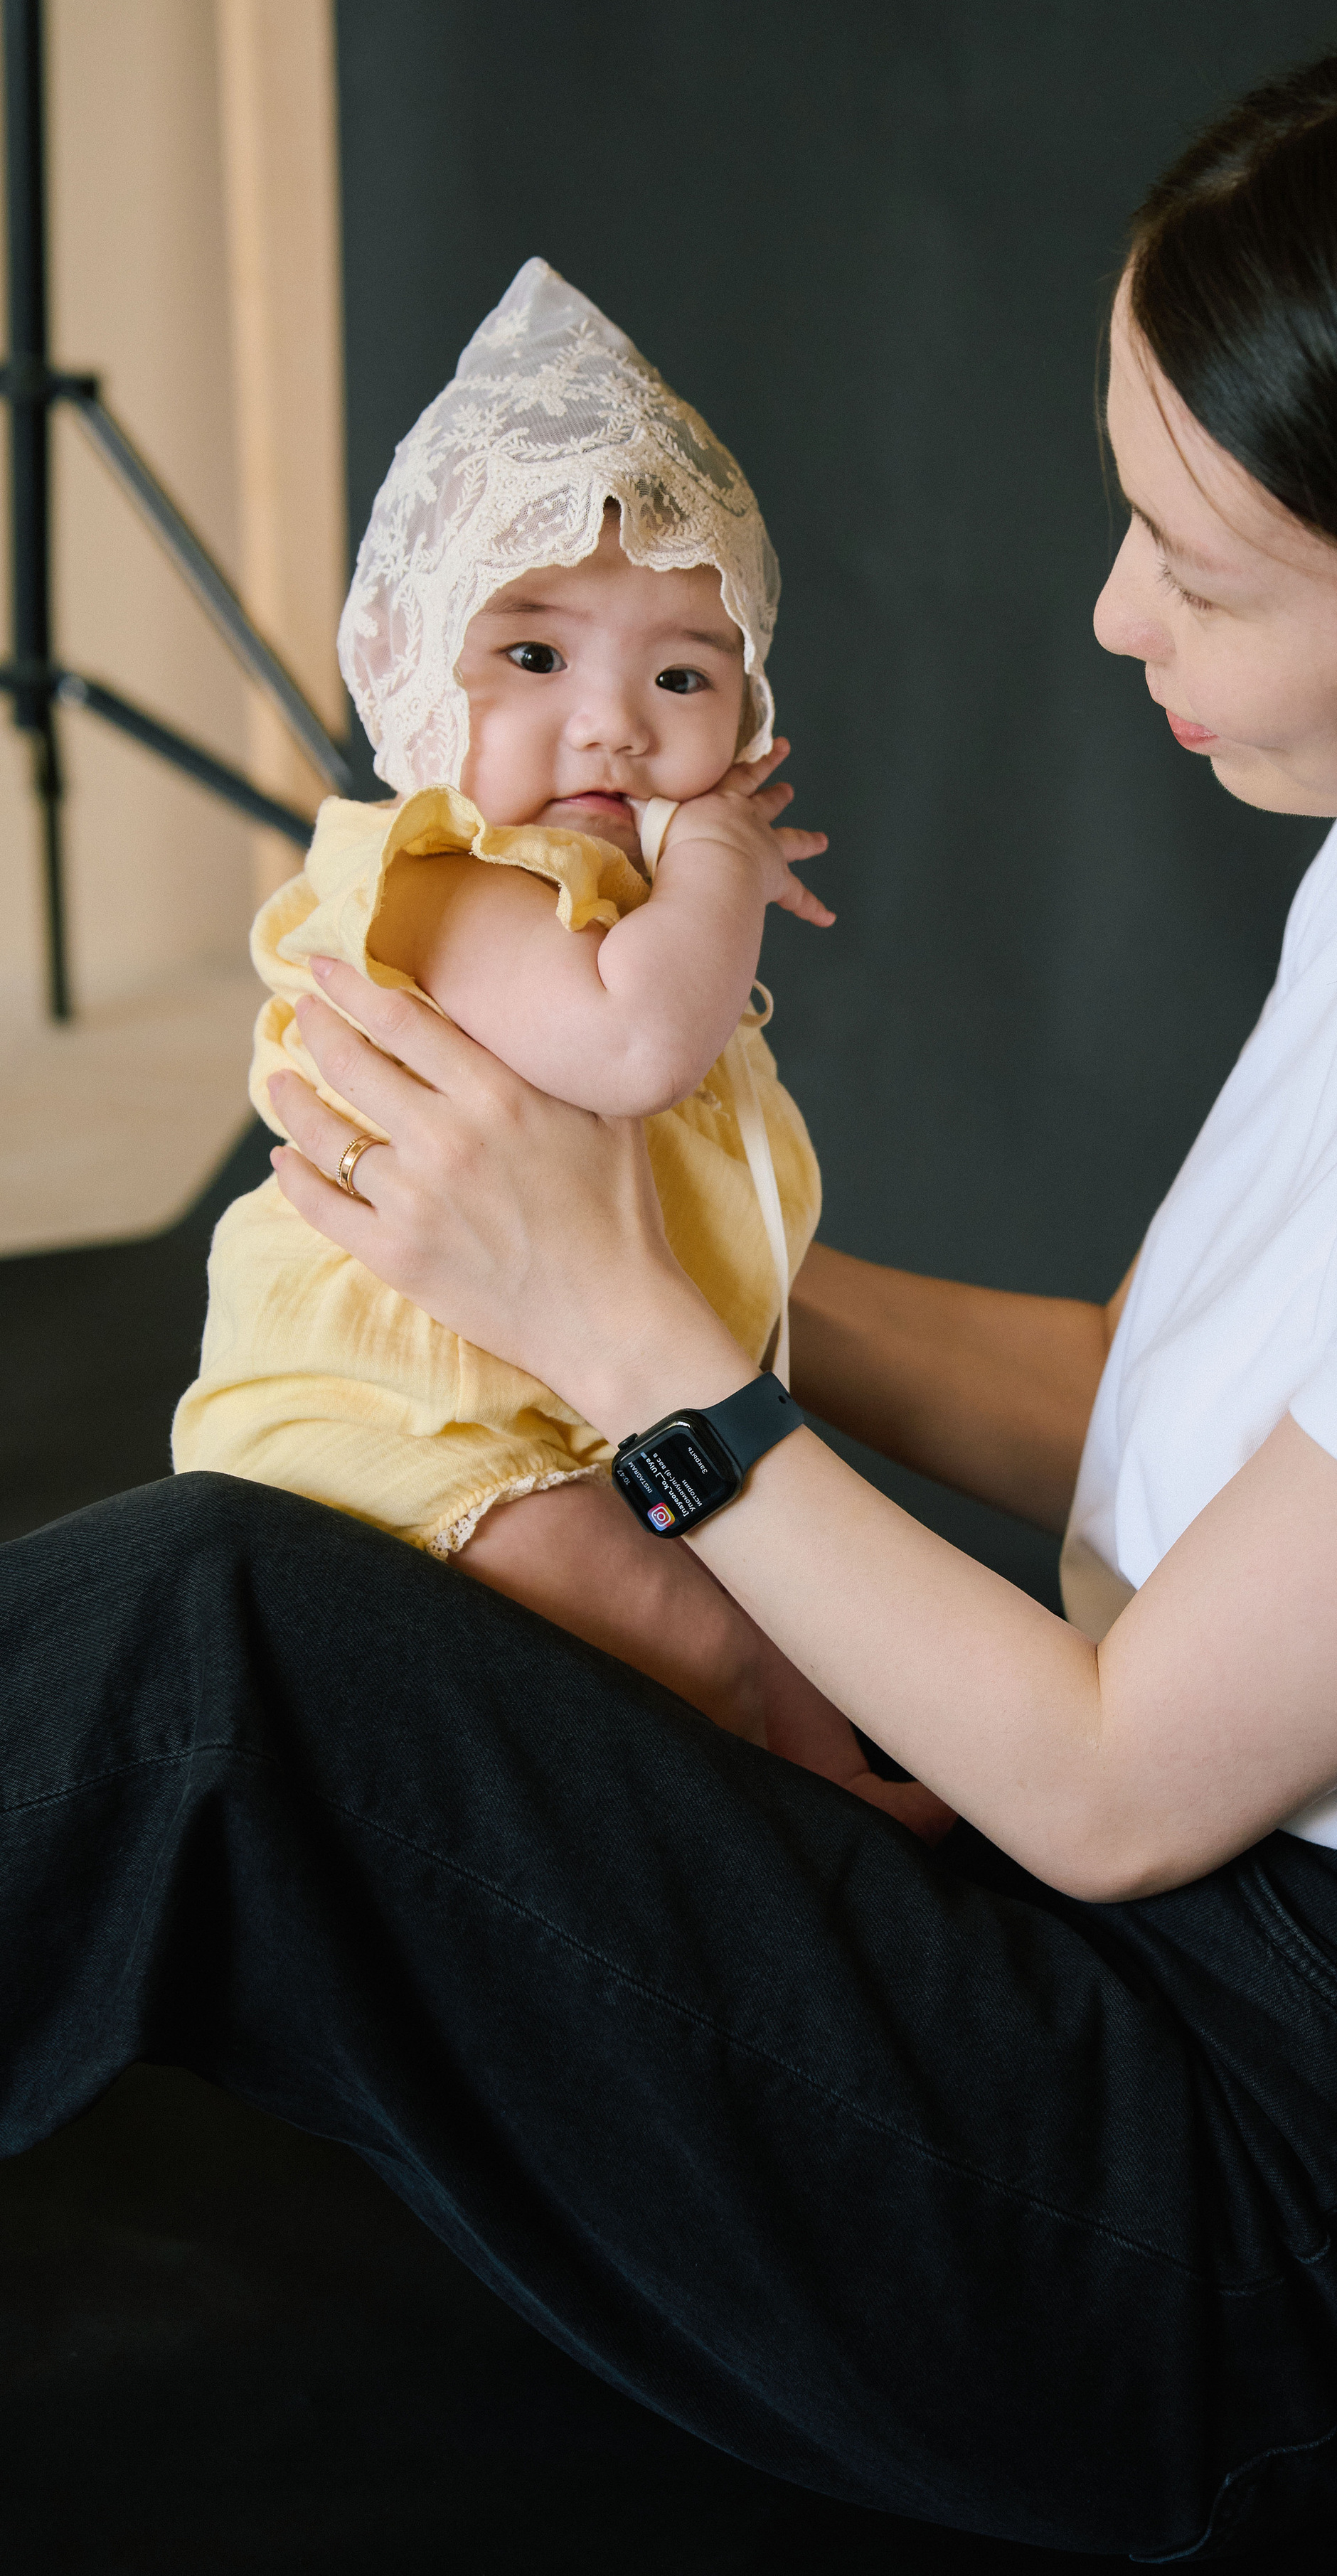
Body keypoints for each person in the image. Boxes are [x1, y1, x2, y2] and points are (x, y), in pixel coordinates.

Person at [3, 14, 1337, 2558]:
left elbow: (1106, 1786)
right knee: (264, 1641)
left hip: (1279, 2212)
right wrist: (601, 1240)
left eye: (1195, 568)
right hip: (1174, 1939)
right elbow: (1155, 1402)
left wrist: (626, 1334)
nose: (1109, 612)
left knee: (211, 1659)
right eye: (1124, 510)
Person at [171, 261, 839, 1749]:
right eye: (533, 658)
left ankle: (856, 1804)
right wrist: (721, 858)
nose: (612, 725)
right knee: (702, 1646)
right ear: (409, 671)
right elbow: (635, 1043)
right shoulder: (441, 878)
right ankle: (831, 1822)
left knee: (785, 1621)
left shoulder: (610, 908)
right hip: (393, 1427)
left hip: (565, 1417)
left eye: (683, 677)